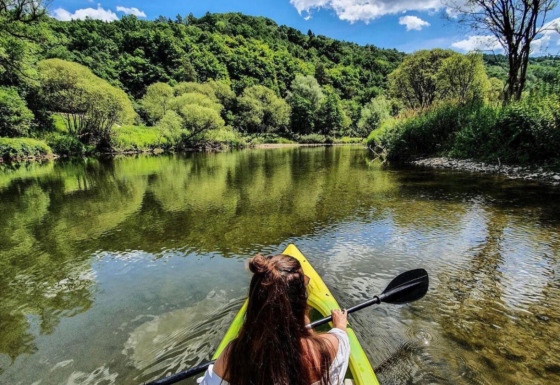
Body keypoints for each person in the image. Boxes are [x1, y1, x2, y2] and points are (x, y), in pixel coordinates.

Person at [197, 253, 350, 385]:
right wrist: (339, 325)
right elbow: (341, 336)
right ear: (301, 303)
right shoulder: (329, 346)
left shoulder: (233, 355)